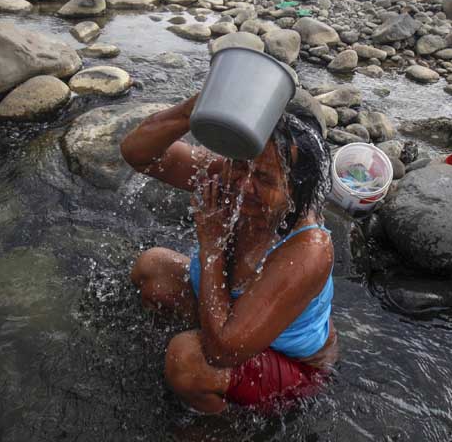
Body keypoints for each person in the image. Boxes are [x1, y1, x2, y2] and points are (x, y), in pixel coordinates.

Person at [120, 94, 337, 414]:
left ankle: (216, 425)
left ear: (295, 190)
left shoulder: (308, 250)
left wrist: (213, 246)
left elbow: (223, 353)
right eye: (241, 164)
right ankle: (198, 378)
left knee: (187, 360)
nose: (243, 184)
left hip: (294, 367)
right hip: (231, 324)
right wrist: (191, 111)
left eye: (263, 178)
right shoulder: (226, 173)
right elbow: (137, 154)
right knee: (152, 270)